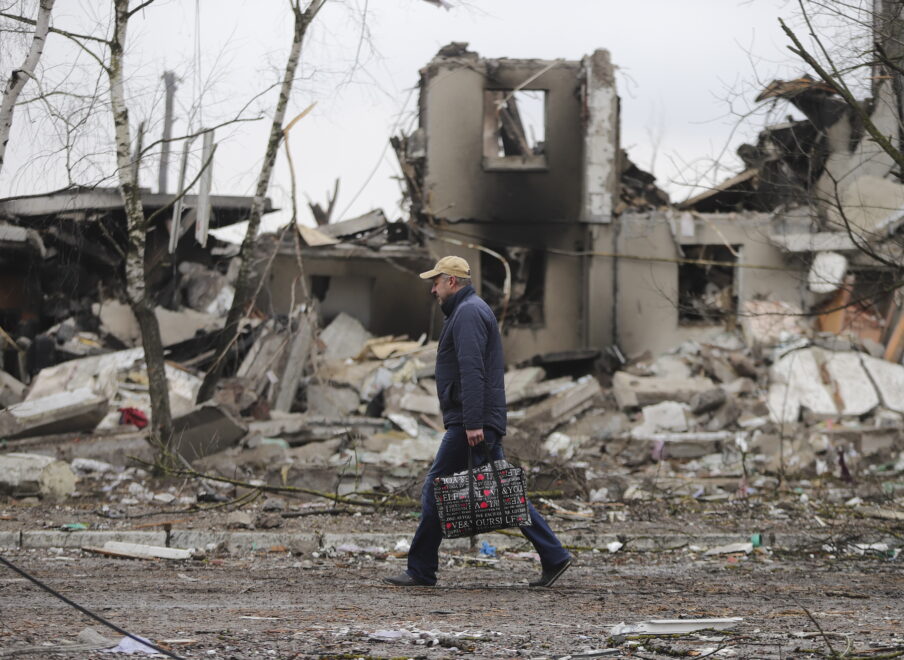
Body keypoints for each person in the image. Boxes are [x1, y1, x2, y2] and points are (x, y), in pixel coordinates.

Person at [383, 255, 573, 588]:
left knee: (435, 487)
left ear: (452, 282)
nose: (433, 289)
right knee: (505, 491)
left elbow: (473, 372)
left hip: (472, 423)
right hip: (476, 420)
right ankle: (554, 555)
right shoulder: (468, 311)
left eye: (437, 282)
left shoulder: (468, 313)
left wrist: (472, 423)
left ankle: (421, 569)